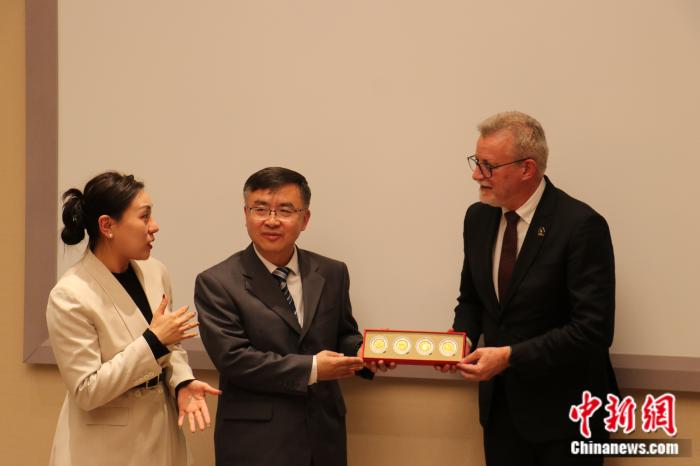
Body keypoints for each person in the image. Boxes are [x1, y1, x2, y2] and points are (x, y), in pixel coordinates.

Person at [439, 111, 619, 465]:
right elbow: (472, 300)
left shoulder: (580, 225)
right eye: (476, 162)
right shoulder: (478, 218)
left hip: (567, 419)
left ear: (527, 169)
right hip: (501, 414)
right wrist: (458, 342)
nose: (476, 175)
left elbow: (593, 330)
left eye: (488, 166)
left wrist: (509, 356)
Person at [195, 167, 389, 466]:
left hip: (323, 435)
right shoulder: (217, 282)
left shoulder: (332, 272)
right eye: (261, 209)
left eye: (285, 210)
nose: (272, 220)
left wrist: (366, 352)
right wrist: (313, 368)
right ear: (246, 214)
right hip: (255, 443)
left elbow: (342, 334)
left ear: (305, 219)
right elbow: (234, 360)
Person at [46, 171, 221, 466]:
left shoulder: (156, 271)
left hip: (162, 435)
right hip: (104, 449)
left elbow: (171, 346)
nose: (154, 227)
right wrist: (152, 342)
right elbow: (86, 391)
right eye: (144, 217)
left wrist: (182, 381)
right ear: (107, 226)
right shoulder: (70, 295)